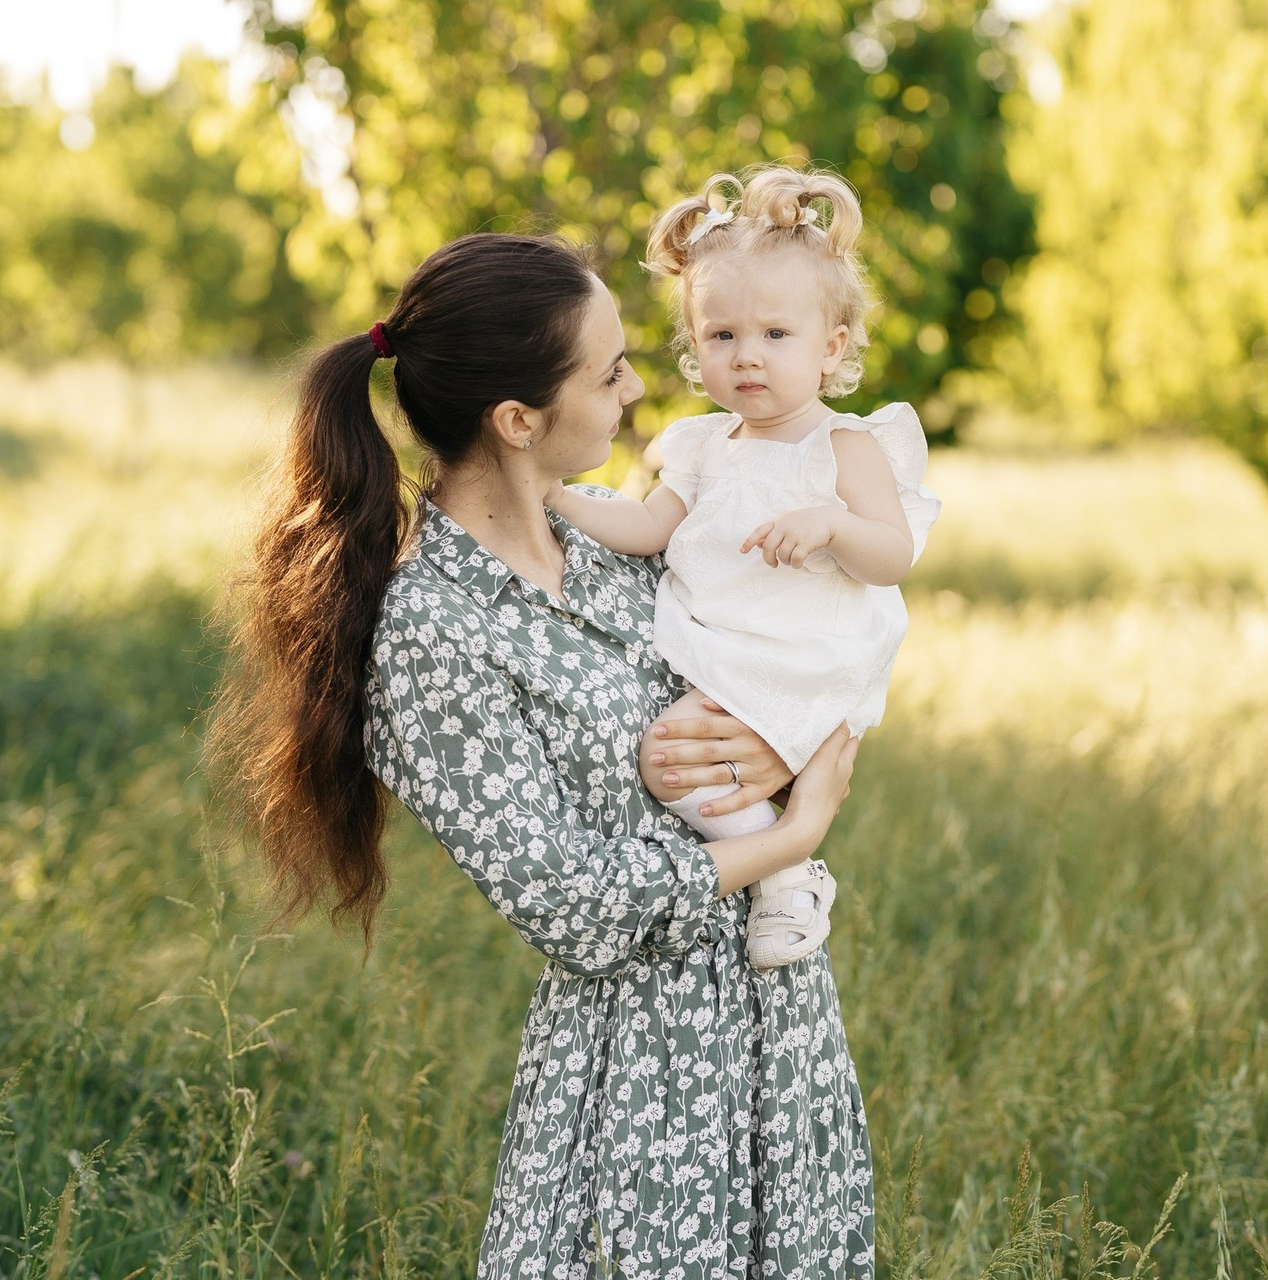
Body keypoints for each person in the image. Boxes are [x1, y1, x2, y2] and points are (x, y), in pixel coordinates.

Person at [210, 231, 873, 1277]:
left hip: (778, 1023)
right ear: (518, 420)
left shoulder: (614, 549)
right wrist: (798, 829)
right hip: (642, 1083)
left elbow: (804, 638)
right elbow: (572, 904)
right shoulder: (435, 632)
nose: (635, 386)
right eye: (608, 371)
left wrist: (778, 747)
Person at [546, 166, 941, 970]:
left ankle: (786, 872)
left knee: (671, 754)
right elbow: (649, 525)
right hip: (724, 651)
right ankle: (783, 858)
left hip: (805, 654)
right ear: (695, 347)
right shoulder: (697, 446)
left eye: (775, 336)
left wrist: (833, 522)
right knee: (670, 762)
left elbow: (893, 555)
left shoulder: (845, 445)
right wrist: (557, 497)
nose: (747, 358)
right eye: (722, 337)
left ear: (831, 348)